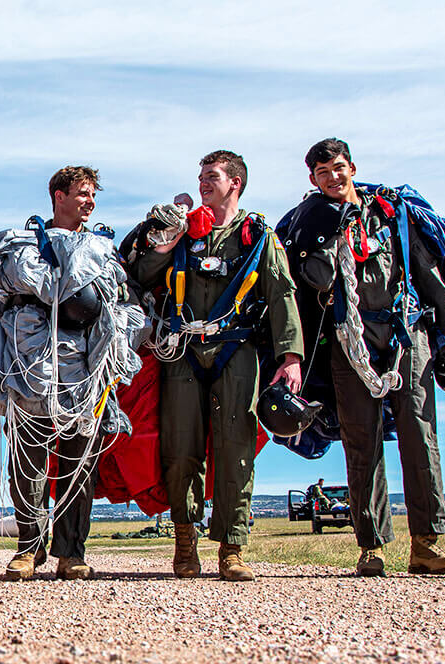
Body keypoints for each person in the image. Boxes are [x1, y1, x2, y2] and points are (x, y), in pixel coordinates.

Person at [284, 138, 445, 576]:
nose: (331, 177)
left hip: (407, 337)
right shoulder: (313, 222)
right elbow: (313, 284)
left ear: (351, 166)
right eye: (321, 173)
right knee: (361, 442)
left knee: (420, 436)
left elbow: (426, 274)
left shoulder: (390, 216)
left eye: (336, 168)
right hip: (348, 341)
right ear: (312, 180)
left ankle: (427, 544)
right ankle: (371, 546)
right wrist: (317, 235)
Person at [127, 150, 304, 581]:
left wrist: (291, 357)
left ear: (235, 183)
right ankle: (184, 542)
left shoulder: (258, 234)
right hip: (182, 350)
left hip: (236, 351)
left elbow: (281, 294)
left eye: (212, 176)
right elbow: (144, 273)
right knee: (180, 447)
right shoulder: (184, 231)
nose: (204, 182)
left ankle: (232, 547)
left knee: (236, 448)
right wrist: (167, 235)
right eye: (201, 175)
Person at [0, 166, 142, 581]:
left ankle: (71, 552)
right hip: (33, 362)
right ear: (58, 196)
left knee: (81, 459)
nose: (89, 202)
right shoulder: (23, 246)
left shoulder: (104, 251)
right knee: (28, 457)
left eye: (92, 195)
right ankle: (28, 548)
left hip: (86, 365)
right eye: (81, 193)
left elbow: (123, 301)